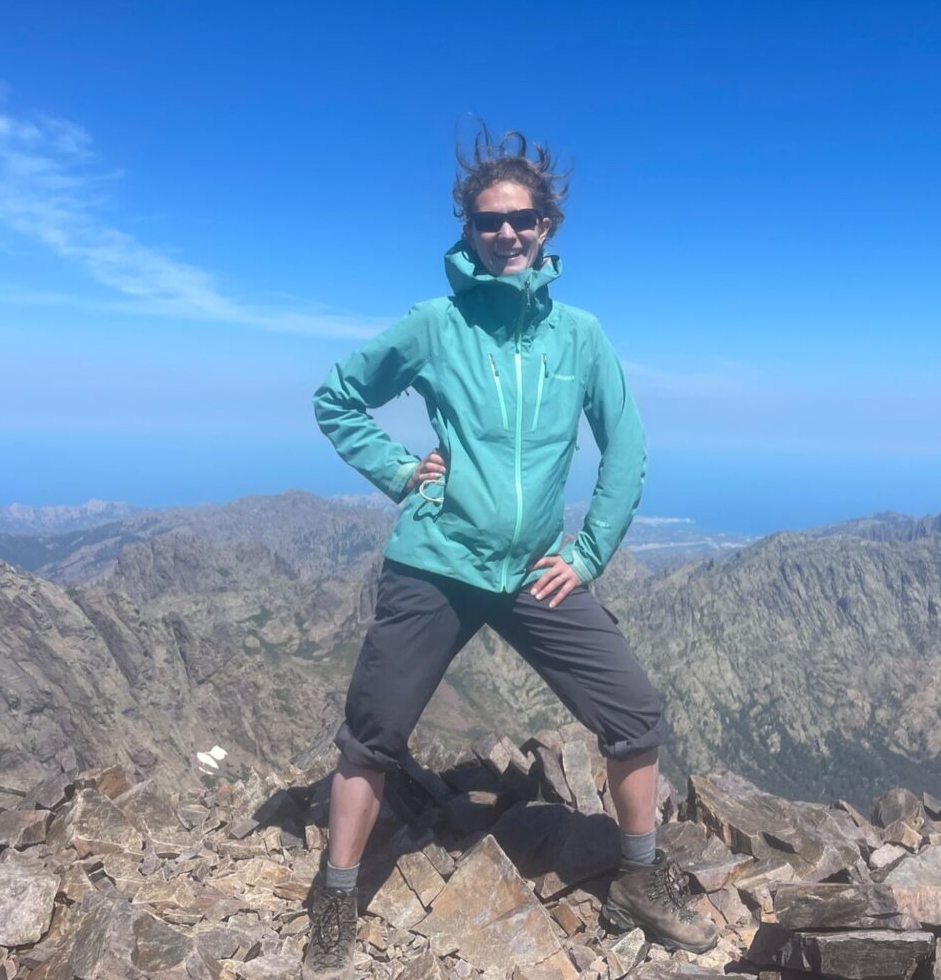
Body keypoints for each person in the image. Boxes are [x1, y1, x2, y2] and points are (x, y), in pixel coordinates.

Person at [304, 128, 718, 977]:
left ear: (547, 225)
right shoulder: (435, 325)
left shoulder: (580, 337)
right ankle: (337, 893)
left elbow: (626, 446)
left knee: (634, 714)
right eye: (488, 221)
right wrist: (398, 472)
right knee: (372, 736)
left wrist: (591, 550)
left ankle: (639, 875)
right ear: (467, 228)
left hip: (535, 571)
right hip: (438, 561)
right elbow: (338, 397)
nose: (507, 233)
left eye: (522, 218)